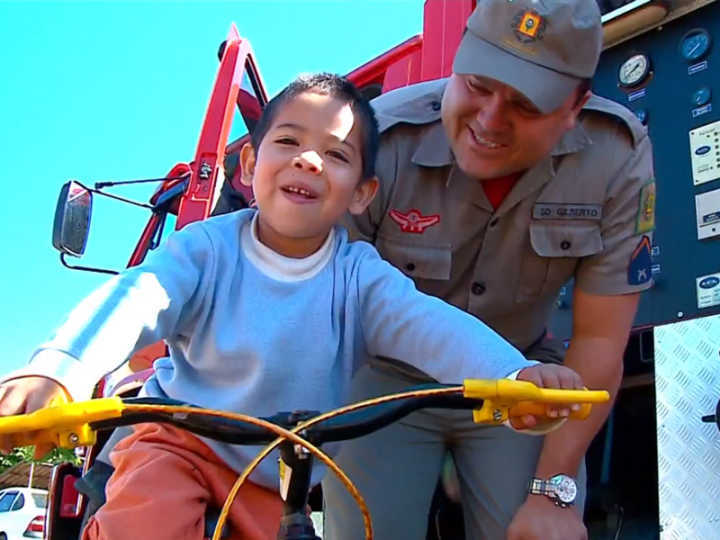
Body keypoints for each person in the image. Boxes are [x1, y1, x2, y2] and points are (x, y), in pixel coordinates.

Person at [0, 73, 583, 540]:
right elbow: (136, 299)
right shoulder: (205, 250)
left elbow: (430, 326)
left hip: (276, 468)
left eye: (335, 154)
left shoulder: (360, 277)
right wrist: (58, 369)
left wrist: (513, 374)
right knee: (147, 519)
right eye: (289, 142)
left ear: (361, 194)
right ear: (250, 166)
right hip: (176, 439)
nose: (309, 160)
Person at [322, 1, 656, 539]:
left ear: (575, 105)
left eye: (525, 103)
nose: (490, 120)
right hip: (385, 378)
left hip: (525, 377)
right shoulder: (379, 138)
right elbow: (323, 313)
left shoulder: (615, 157)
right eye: (478, 84)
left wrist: (555, 493)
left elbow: (599, 341)